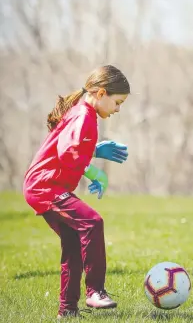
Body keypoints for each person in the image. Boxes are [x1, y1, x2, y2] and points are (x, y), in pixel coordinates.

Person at [22, 65, 131, 319]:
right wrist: (96, 172)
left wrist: (94, 150)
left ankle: (67, 311)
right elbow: (68, 153)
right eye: (117, 102)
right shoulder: (84, 114)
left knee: (73, 245)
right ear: (101, 93)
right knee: (92, 222)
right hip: (45, 186)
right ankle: (95, 291)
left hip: (47, 185)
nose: (118, 109)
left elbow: (70, 146)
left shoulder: (85, 113)